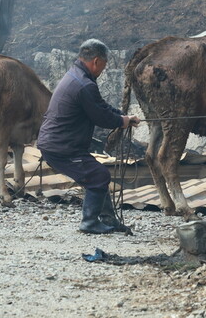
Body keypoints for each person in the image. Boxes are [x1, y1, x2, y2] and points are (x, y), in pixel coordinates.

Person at [37, 39, 140, 234]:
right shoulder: (84, 84)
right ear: (96, 61)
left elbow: (100, 105)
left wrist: (123, 117)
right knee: (98, 175)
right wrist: (122, 121)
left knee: (96, 175)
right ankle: (89, 223)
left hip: (59, 143)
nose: (103, 68)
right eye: (104, 64)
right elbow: (100, 116)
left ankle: (108, 219)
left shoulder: (77, 77)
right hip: (61, 146)